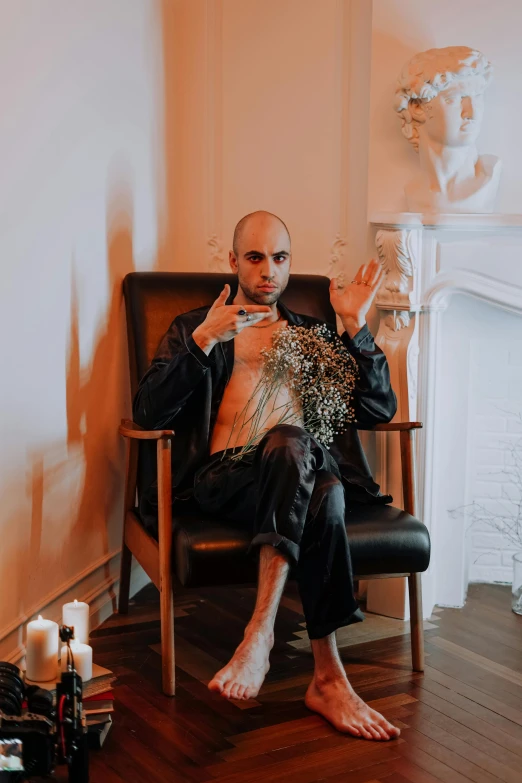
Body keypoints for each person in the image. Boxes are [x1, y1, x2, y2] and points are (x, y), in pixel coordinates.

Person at [133, 210, 400, 741]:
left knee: (305, 458)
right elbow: (147, 413)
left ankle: (268, 641)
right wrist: (204, 341)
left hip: (298, 468)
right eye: (255, 257)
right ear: (232, 262)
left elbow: (378, 409)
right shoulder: (197, 325)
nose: (268, 271)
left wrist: (354, 327)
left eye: (279, 258)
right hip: (227, 478)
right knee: (316, 480)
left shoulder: (311, 333)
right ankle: (323, 675)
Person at [394, 45, 501, 213]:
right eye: (454, 99)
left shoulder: (489, 176)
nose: (470, 112)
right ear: (417, 108)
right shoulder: (414, 191)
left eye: (478, 96)